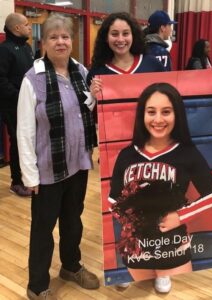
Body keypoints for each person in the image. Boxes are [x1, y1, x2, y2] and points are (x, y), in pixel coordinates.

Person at [108, 82, 212, 293]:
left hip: (173, 242)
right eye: (151, 112)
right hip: (137, 245)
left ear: (177, 114)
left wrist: (181, 216)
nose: (158, 119)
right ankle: (129, 273)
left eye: (166, 112)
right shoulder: (127, 154)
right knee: (138, 282)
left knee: (168, 279)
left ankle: (164, 275)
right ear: (142, 115)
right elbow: (112, 198)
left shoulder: (187, 152)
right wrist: (129, 219)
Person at [17, 14, 99, 300]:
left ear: (72, 41)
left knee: (72, 220)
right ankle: (37, 285)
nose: (60, 42)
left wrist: (96, 96)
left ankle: (71, 266)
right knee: (43, 227)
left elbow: (84, 109)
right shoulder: (33, 79)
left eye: (65, 36)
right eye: (54, 37)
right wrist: (29, 175)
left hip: (78, 163)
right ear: (44, 42)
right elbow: (24, 130)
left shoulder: (81, 70)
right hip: (48, 168)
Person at [87, 11, 165, 126]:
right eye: (114, 34)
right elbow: (89, 115)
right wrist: (92, 97)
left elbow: (167, 101)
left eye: (125, 33)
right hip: (115, 136)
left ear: (133, 35)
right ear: (106, 38)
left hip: (151, 135)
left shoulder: (153, 65)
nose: (120, 39)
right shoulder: (97, 72)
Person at [0, 13, 34, 196]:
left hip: (29, 104)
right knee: (18, 142)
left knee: (30, 141)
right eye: (27, 24)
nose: (29, 27)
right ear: (17, 28)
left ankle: (30, 177)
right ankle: (16, 181)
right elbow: (1, 80)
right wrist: (19, 97)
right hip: (12, 105)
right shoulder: (4, 50)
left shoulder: (27, 48)